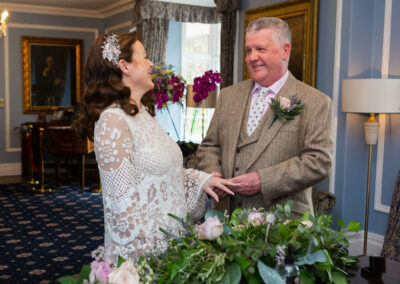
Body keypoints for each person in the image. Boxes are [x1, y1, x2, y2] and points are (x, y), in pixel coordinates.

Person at [72, 32, 234, 264]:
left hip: (172, 244)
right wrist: (143, 264)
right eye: (145, 57)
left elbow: (157, 174)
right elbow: (120, 206)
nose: (151, 64)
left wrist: (202, 181)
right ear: (124, 66)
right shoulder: (113, 121)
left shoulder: (142, 114)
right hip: (146, 253)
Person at [196, 17, 333, 216]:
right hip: (225, 218)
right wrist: (213, 174)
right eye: (249, 50)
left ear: (285, 50)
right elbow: (209, 146)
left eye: (261, 49)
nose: (252, 57)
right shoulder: (228, 95)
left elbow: (319, 162)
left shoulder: (316, 102)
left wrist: (263, 181)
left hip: (283, 224)